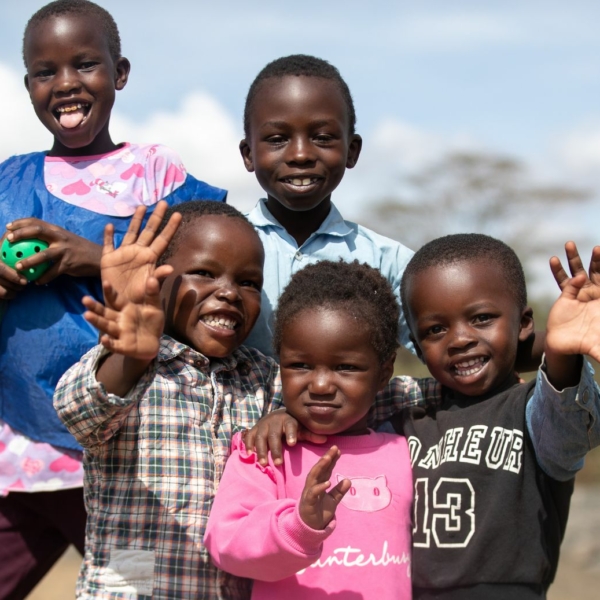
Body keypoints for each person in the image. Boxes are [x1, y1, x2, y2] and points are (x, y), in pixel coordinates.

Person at [0, 1, 225, 597]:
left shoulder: (153, 173)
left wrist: (91, 257)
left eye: (85, 65)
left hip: (128, 454)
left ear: (119, 73)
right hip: (20, 456)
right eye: (45, 72)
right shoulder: (7, 180)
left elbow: (211, 265)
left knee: (137, 591)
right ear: (28, 85)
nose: (66, 83)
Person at [248, 234, 600, 600]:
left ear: (524, 323)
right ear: (417, 345)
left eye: (481, 318)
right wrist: (288, 418)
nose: (460, 339)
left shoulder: (533, 411)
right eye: (435, 330)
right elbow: (341, 407)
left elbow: (570, 424)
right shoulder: (402, 422)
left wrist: (563, 353)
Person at [53, 201, 280, 599]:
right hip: (132, 589)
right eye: (204, 273)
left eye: (248, 282)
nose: (228, 291)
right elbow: (78, 414)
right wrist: (131, 358)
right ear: (158, 281)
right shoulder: (135, 360)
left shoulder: (265, 378)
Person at [204, 260, 413, 599]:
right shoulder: (264, 451)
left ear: (384, 373)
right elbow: (226, 544)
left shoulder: (406, 453)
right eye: (300, 365)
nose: (319, 384)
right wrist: (300, 527)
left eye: (345, 367)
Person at [240, 54, 414, 357]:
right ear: (248, 154)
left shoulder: (389, 262)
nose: (300, 154)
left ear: (352, 150)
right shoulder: (219, 250)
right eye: (278, 139)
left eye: (322, 137)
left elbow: (445, 342)